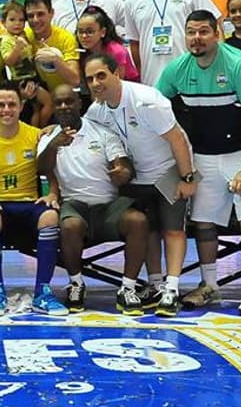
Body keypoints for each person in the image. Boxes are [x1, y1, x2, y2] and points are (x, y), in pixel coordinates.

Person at [155, 10, 241, 316]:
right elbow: (155, 110)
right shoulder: (177, 69)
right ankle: (209, 285)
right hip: (202, 155)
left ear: (216, 34)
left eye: (204, 32)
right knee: (204, 222)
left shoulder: (239, 64)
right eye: (191, 32)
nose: (197, 38)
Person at [81, 54, 198, 314]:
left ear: (117, 73)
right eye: (90, 79)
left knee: (173, 230)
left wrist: (187, 177)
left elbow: (178, 139)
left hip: (169, 171)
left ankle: (172, 288)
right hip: (137, 177)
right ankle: (156, 285)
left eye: (101, 75)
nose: (96, 83)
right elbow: (82, 135)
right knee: (149, 231)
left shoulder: (147, 101)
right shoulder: (95, 111)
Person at [37, 83, 150, 315]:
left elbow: (125, 167)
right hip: (74, 203)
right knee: (70, 225)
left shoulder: (102, 132)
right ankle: (76, 284)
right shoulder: (48, 138)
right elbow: (40, 168)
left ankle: (127, 288)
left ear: (80, 104)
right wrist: (53, 146)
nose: (64, 106)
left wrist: (122, 173)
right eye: (58, 103)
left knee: (138, 221)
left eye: (69, 101)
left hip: (108, 204)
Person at [0, 82, 63, 316]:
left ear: (21, 106)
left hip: (29, 203)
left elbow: (52, 172)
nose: (6, 109)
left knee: (51, 216)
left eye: (11, 104)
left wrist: (52, 193)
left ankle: (43, 292)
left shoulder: (35, 136)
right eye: (1, 105)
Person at [123, 0, 221, 86]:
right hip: (151, 81)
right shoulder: (132, 1)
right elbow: (134, 44)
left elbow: (216, 26)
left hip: (192, 79)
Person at [0, 0, 54, 127]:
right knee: (49, 102)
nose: (17, 24)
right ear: (3, 22)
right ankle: (40, 129)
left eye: (21, 20)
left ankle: (36, 131)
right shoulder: (6, 40)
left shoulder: (24, 35)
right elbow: (8, 61)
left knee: (36, 108)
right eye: (12, 20)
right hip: (22, 80)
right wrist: (17, 48)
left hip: (34, 77)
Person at [20, 0, 81, 93]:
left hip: (64, 97)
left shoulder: (66, 38)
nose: (35, 20)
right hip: (39, 97)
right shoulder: (24, 37)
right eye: (30, 16)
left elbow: (75, 80)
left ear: (51, 13)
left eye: (40, 14)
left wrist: (55, 60)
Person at [75, 5, 140, 87]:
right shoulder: (78, 49)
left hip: (126, 88)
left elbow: (118, 85)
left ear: (103, 32)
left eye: (90, 32)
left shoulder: (117, 51)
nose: (84, 36)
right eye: (80, 32)